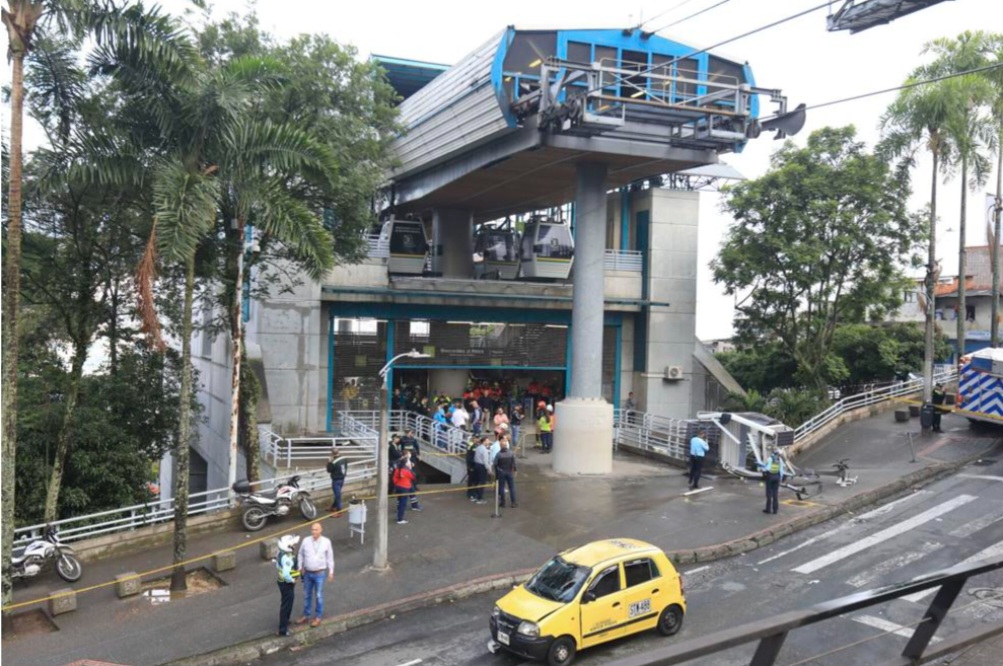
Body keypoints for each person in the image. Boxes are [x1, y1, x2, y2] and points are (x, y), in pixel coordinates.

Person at [297, 522, 334, 628]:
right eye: (312, 529)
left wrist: (331, 571)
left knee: (318, 595)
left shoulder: (326, 542)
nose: (314, 532)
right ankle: (306, 615)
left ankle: (318, 617)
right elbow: (300, 554)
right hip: (307, 573)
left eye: (316, 529)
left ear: (321, 530)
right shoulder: (305, 541)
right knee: (306, 595)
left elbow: (330, 558)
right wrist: (300, 566)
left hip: (320, 573)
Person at [275, 534, 300, 636]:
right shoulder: (287, 558)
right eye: (293, 544)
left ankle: (286, 621)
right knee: (286, 605)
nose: (295, 545)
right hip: (287, 584)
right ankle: (283, 629)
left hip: (282, 583)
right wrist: (292, 580)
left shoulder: (280, 553)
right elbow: (286, 573)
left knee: (286, 603)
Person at [759, 449, 786, 514]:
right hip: (777, 477)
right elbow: (782, 470)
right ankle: (775, 510)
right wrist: (781, 478)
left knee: (769, 494)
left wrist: (762, 467)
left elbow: (767, 468)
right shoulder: (779, 460)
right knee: (775, 494)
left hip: (770, 477)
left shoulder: (770, 459)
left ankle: (768, 509)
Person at [494, 437, 518, 508]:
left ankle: (503, 502)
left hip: (501, 472)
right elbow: (514, 463)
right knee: (512, 487)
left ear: (500, 446)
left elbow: (495, 464)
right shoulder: (511, 453)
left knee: (501, 487)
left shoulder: (498, 454)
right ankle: (513, 502)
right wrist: (515, 470)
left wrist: (496, 473)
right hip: (509, 471)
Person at [392, 458, 417, 524]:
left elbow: (394, 479)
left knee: (399, 501)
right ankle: (400, 519)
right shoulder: (407, 471)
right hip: (405, 488)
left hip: (398, 487)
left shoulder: (397, 470)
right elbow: (413, 477)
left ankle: (398, 515)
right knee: (403, 504)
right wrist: (410, 468)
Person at [472, 436, 491, 504]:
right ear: (484, 441)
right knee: (482, 482)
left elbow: (475, 457)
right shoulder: (484, 450)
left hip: (476, 465)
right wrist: (488, 469)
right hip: (482, 467)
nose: (489, 442)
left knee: (476, 481)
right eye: (488, 440)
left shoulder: (478, 448)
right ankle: (479, 498)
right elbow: (485, 461)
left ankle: (474, 496)